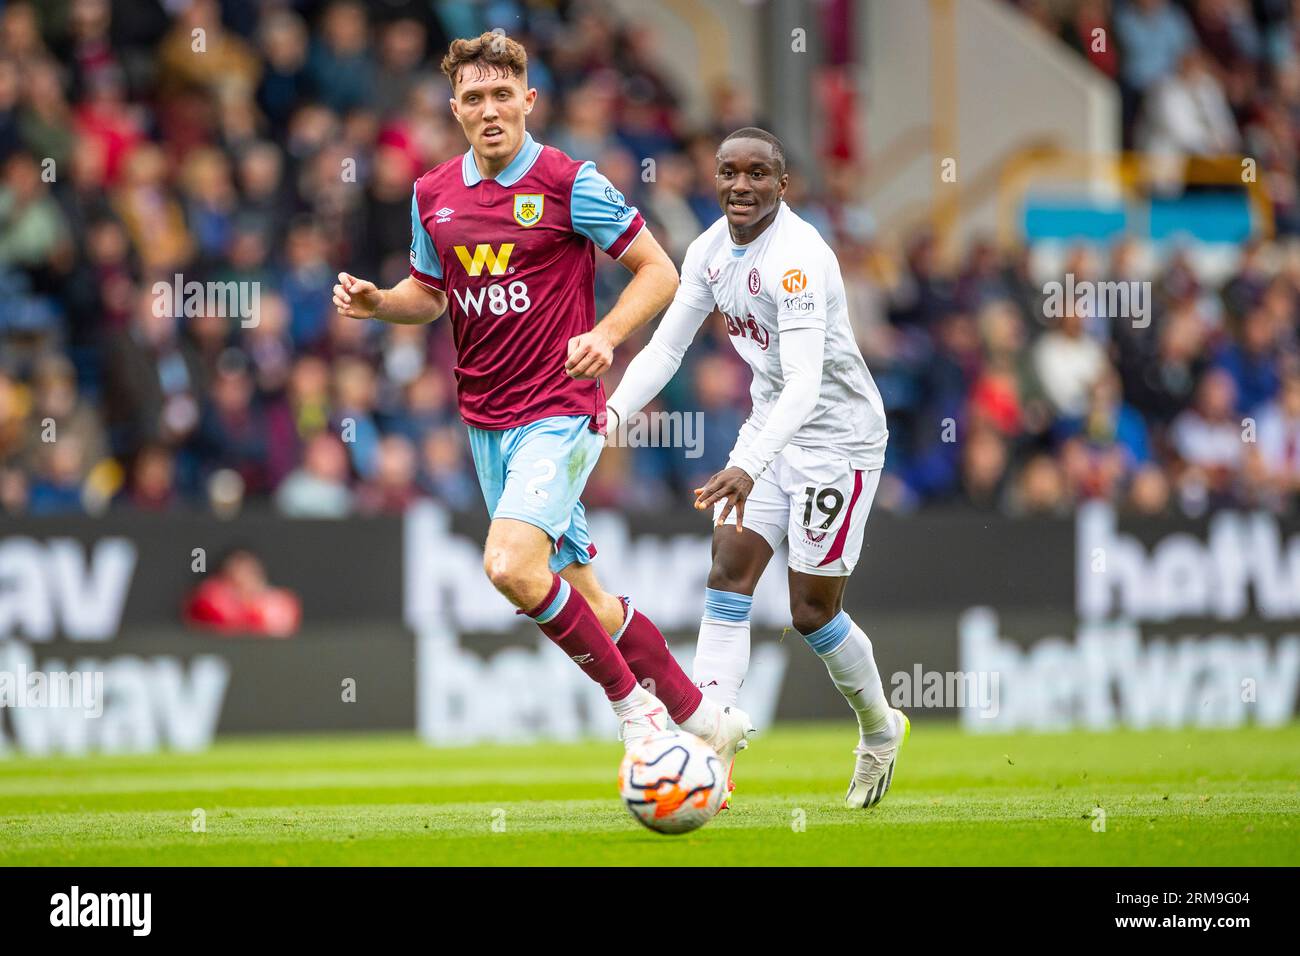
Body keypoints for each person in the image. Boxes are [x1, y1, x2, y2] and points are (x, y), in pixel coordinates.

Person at [331, 32, 752, 768]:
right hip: (487, 423)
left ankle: (637, 715)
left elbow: (660, 270)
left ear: (529, 101)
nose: (489, 109)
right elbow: (429, 296)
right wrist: (379, 304)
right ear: (454, 108)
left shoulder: (567, 181)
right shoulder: (433, 195)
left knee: (510, 567)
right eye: (473, 98)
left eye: (502, 96)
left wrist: (608, 333)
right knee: (590, 599)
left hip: (560, 411)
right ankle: (703, 717)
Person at [607, 128, 906, 808]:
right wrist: (609, 419)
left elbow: (804, 383)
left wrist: (744, 462)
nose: (741, 185)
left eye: (758, 174)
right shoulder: (709, 250)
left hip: (837, 443)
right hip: (771, 433)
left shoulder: (798, 259)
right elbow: (665, 350)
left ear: (783, 184)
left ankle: (880, 730)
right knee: (728, 570)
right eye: (729, 173)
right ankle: (711, 737)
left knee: (810, 614)